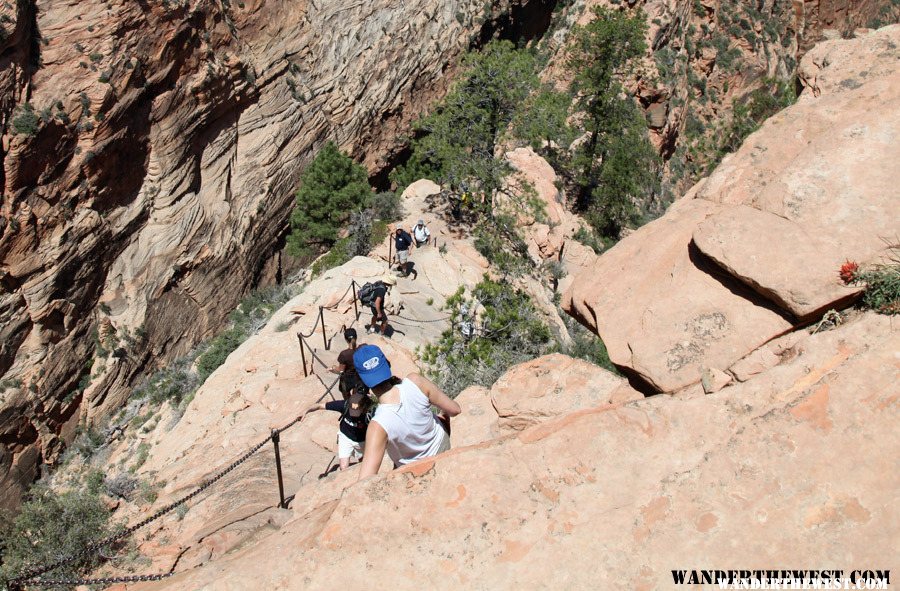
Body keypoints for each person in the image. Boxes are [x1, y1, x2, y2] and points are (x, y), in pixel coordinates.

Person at [352, 345, 461, 480]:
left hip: (415, 469)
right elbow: (455, 410)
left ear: (362, 381)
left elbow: (365, 480)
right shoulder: (415, 381)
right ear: (387, 364)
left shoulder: (378, 425)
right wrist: (443, 415)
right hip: (441, 445)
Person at [299, 391, 372, 471]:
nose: (353, 413)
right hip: (345, 437)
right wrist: (306, 410)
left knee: (364, 463)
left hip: (362, 440)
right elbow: (320, 406)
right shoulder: (344, 405)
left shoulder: (371, 412)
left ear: (364, 408)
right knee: (343, 467)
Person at [330, 328, 364, 399]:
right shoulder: (363, 347)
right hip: (360, 376)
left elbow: (340, 370)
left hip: (347, 379)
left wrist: (332, 368)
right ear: (356, 337)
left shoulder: (344, 354)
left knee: (346, 394)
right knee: (357, 392)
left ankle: (348, 403)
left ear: (345, 339)